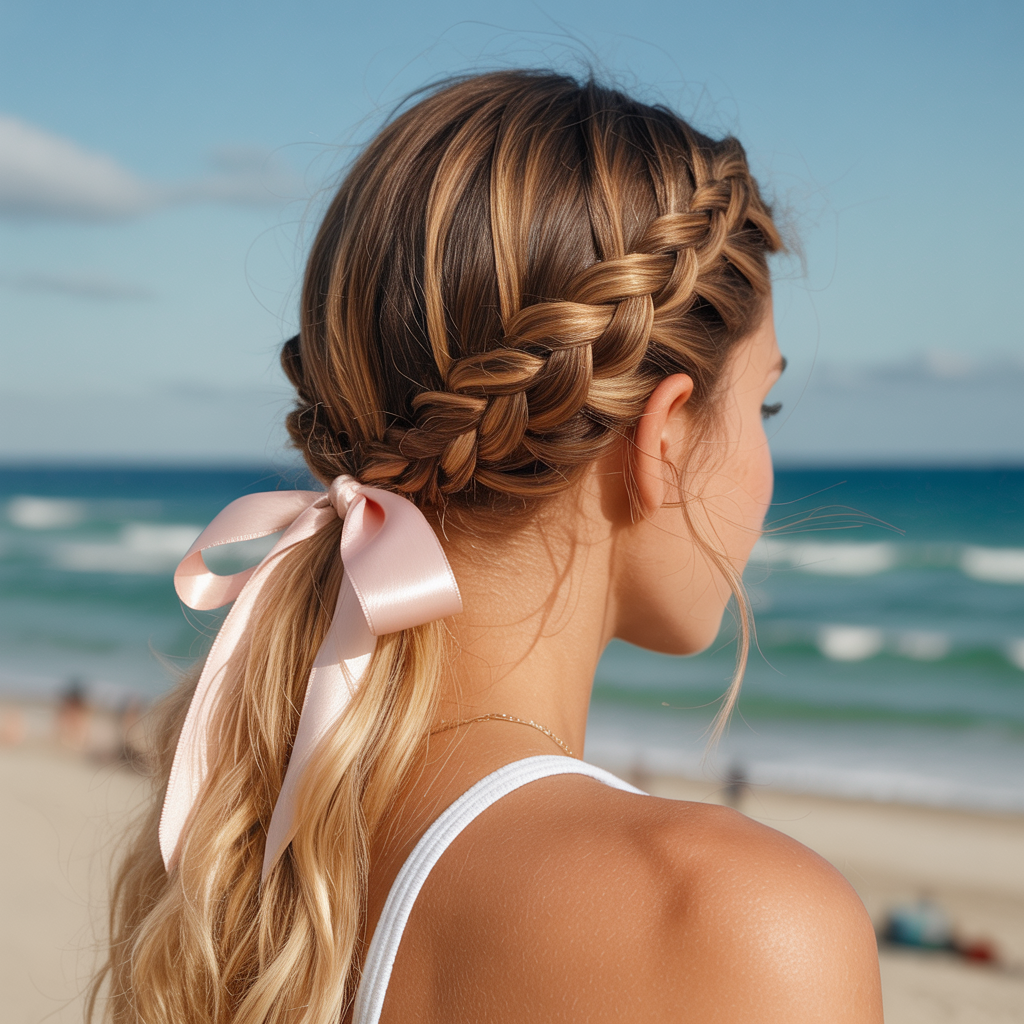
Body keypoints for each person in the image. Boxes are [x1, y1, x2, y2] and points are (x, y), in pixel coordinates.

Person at [92, 71, 883, 1023]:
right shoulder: (733, 925)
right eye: (765, 404)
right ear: (665, 434)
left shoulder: (252, 844)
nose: (765, 463)